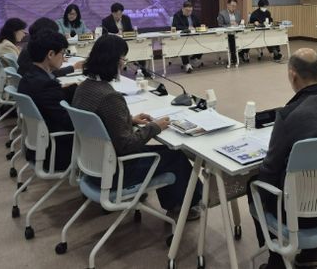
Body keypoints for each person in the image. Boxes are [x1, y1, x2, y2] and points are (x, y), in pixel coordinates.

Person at [72, 34, 202, 217]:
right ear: (113, 61)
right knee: (175, 156)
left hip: (92, 167)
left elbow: (99, 120)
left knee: (165, 152)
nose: (123, 64)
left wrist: (128, 119)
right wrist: (154, 127)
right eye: (123, 59)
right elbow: (127, 145)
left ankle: (176, 203)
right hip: (116, 172)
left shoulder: (83, 87)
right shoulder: (110, 97)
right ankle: (185, 206)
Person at [248, 48, 317, 269]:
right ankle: (310, 253)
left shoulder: (288, 115)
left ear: (292, 75)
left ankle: (276, 259)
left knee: (255, 185)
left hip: (299, 215)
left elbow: (270, 169)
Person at [17, 29, 77, 171]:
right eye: (62, 53)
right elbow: (69, 122)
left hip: (38, 146)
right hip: (56, 152)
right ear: (50, 54)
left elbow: (52, 100)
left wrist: (76, 88)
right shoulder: (46, 85)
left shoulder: (28, 77)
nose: (63, 57)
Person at [18, 17, 84, 77]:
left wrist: (56, 58)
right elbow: (49, 73)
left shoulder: (31, 46)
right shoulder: (31, 52)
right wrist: (73, 67)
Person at [172, 1, 204, 73]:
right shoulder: (177, 15)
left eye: (190, 10)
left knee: (203, 43)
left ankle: (193, 59)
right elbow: (175, 26)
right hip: (183, 36)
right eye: (187, 10)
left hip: (194, 35)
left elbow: (198, 24)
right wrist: (187, 28)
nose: (189, 12)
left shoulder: (194, 15)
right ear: (183, 9)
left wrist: (201, 27)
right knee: (183, 45)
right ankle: (186, 64)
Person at [217, 0, 249, 64]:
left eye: (235, 6)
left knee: (247, 38)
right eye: (232, 6)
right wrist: (230, 24)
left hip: (237, 32)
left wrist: (240, 24)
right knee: (232, 39)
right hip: (227, 34)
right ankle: (233, 57)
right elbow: (220, 25)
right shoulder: (222, 13)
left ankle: (241, 53)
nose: (234, 8)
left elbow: (240, 23)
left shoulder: (238, 13)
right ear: (228, 5)